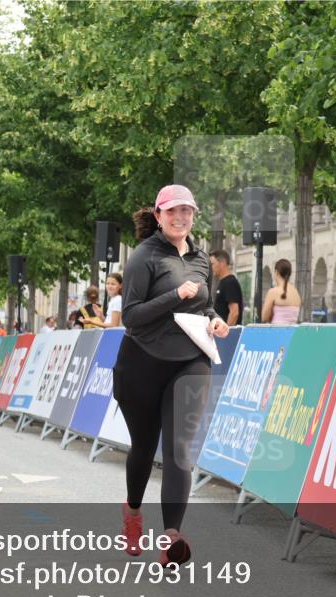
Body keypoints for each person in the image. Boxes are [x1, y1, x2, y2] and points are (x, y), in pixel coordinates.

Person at [114, 184, 229, 568]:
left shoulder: (201, 258)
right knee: (144, 449)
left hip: (191, 360)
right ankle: (132, 515)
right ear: (159, 215)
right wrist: (174, 296)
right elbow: (130, 317)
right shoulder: (143, 258)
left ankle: (171, 539)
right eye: (173, 211)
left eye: (188, 212)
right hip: (143, 362)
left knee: (179, 450)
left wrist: (215, 322)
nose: (181, 218)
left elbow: (207, 305)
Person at [261, 259, 301, 324]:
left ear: (276, 272)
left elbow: (264, 318)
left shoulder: (273, 292)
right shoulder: (296, 292)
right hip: (292, 332)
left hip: (276, 331)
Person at [210, 250, 243, 326]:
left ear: (222, 263)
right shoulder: (223, 282)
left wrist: (227, 333)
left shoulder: (229, 282)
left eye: (212, 264)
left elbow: (234, 312)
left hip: (225, 334)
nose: (211, 268)